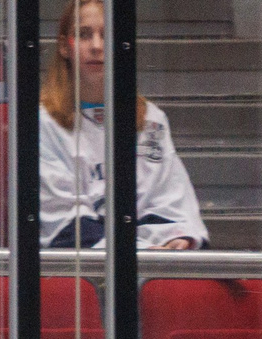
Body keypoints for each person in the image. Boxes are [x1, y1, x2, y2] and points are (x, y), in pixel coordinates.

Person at [39, 0, 208, 251]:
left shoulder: (150, 120)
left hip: (149, 260)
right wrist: (136, 252)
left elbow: (169, 201)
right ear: (64, 46)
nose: (97, 46)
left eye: (106, 35)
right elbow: (62, 218)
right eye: (84, 35)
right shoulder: (43, 122)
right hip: (81, 270)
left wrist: (175, 240)